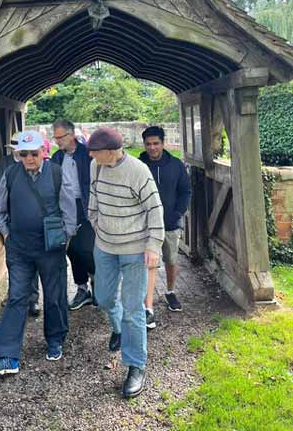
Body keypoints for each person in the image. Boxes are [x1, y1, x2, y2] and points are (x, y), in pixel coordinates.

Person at [0, 131, 76, 375]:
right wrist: (6, 234)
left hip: (51, 247)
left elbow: (69, 209)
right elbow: (0, 208)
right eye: (23, 154)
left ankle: (55, 339)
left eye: (34, 153)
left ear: (43, 152)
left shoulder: (56, 173)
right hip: (20, 248)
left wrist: (66, 237)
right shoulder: (11, 174)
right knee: (17, 297)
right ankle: (7, 356)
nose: (29, 159)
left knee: (54, 295)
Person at [88, 127, 164, 399]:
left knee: (133, 310)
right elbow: (94, 196)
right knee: (104, 298)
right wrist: (95, 221)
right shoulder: (96, 166)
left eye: (95, 152)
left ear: (111, 151)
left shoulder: (138, 171)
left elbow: (155, 208)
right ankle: (119, 329)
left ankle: (136, 366)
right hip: (105, 247)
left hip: (134, 250)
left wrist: (153, 245)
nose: (91, 156)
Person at [139, 126, 192, 327]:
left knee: (170, 259)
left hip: (170, 222)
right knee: (147, 263)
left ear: (163, 143)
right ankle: (147, 304)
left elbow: (185, 191)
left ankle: (170, 291)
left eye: (156, 143)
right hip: (145, 225)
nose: (152, 148)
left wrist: (177, 213)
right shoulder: (139, 165)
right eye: (148, 144)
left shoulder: (176, 165)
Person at [0, 131, 41, 317]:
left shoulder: (33, 163)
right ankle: (17, 298)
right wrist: (4, 229)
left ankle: (33, 299)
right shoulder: (4, 164)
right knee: (14, 263)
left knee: (33, 262)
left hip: (30, 221)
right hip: (11, 221)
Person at [52, 119, 95, 310]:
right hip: (64, 207)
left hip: (85, 206)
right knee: (71, 249)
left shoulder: (88, 154)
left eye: (60, 137)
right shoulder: (56, 158)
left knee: (86, 248)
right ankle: (82, 288)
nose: (57, 141)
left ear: (71, 135)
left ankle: (96, 281)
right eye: (55, 138)